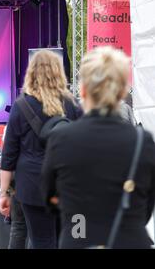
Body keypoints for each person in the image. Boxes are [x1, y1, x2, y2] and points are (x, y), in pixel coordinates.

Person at [41, 47, 155, 249]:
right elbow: (147, 203)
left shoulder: (61, 138)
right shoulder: (142, 141)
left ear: (83, 90)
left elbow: (49, 198)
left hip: (79, 236)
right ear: (121, 91)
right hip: (129, 239)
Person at [0, 50, 82, 249]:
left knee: (40, 240)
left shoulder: (21, 106)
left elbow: (8, 156)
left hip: (31, 184)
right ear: (59, 72)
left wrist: (3, 193)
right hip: (65, 181)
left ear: (32, 73)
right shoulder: (72, 105)